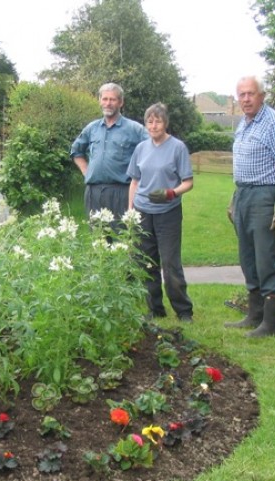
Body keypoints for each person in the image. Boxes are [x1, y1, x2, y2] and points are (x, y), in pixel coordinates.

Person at [226, 76, 275, 337]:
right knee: (247, 257)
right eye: (241, 94)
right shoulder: (243, 124)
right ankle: (254, 314)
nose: (245, 99)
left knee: (265, 257)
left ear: (262, 95)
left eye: (250, 94)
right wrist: (235, 200)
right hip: (243, 194)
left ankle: (269, 324)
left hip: (265, 196)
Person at [127, 103, 194, 322]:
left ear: (165, 123)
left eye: (158, 121)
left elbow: (188, 182)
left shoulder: (178, 148)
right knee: (146, 262)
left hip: (168, 212)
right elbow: (134, 181)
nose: (153, 125)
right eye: (150, 121)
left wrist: (171, 193)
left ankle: (183, 310)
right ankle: (154, 308)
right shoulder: (141, 148)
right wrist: (131, 213)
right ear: (145, 124)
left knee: (170, 263)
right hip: (143, 211)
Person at [71, 83, 148, 230]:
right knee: (98, 239)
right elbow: (76, 151)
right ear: (99, 100)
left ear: (121, 102)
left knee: (122, 238)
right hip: (94, 193)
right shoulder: (92, 128)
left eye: (112, 99)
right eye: (105, 99)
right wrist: (86, 172)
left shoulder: (134, 129)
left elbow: (152, 149)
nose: (108, 103)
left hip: (121, 193)